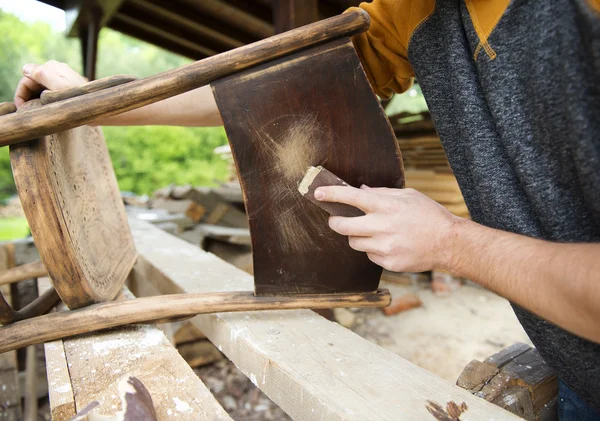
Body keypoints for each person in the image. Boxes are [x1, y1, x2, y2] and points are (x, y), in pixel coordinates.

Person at [14, 0, 599, 417]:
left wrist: (453, 243)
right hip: (579, 373)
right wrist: (89, 100)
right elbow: (274, 82)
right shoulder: (416, 9)